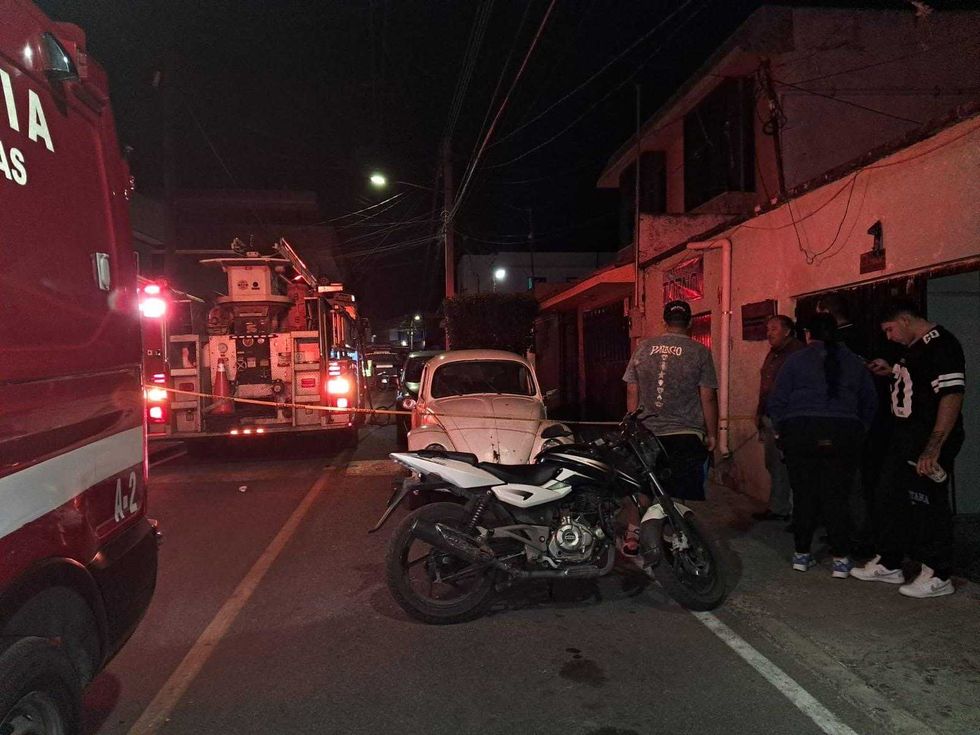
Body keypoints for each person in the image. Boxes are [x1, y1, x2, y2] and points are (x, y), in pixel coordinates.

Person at [850, 300, 965, 598]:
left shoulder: (942, 345)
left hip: (925, 440)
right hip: (903, 437)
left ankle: (938, 573)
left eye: (890, 329)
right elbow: (921, 384)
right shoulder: (914, 348)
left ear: (905, 319)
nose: (889, 337)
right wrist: (892, 372)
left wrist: (933, 448)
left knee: (927, 505)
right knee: (888, 497)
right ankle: (890, 562)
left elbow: (951, 396)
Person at [767, 313, 877, 577]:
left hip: (801, 432)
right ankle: (841, 560)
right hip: (842, 433)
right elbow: (870, 402)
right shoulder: (854, 362)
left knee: (805, 496)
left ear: (808, 335)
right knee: (837, 497)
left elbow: (777, 400)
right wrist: (858, 430)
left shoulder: (796, 361)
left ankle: (801, 555)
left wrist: (782, 431)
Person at [623, 300, 719, 502]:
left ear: (664, 321)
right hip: (685, 433)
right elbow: (708, 396)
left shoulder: (643, 348)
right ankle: (677, 531)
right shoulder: (700, 351)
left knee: (645, 485)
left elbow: (632, 390)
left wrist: (634, 425)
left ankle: (636, 528)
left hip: (648, 433)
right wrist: (711, 433)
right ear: (689, 322)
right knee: (678, 489)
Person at [753, 315, 804, 523]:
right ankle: (778, 506)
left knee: (791, 465)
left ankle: (795, 511)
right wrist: (759, 411)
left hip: (787, 419)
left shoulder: (797, 354)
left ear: (788, 331)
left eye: (774, 328)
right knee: (774, 464)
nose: (769, 333)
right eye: (768, 329)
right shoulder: (773, 354)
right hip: (770, 415)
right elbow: (765, 386)